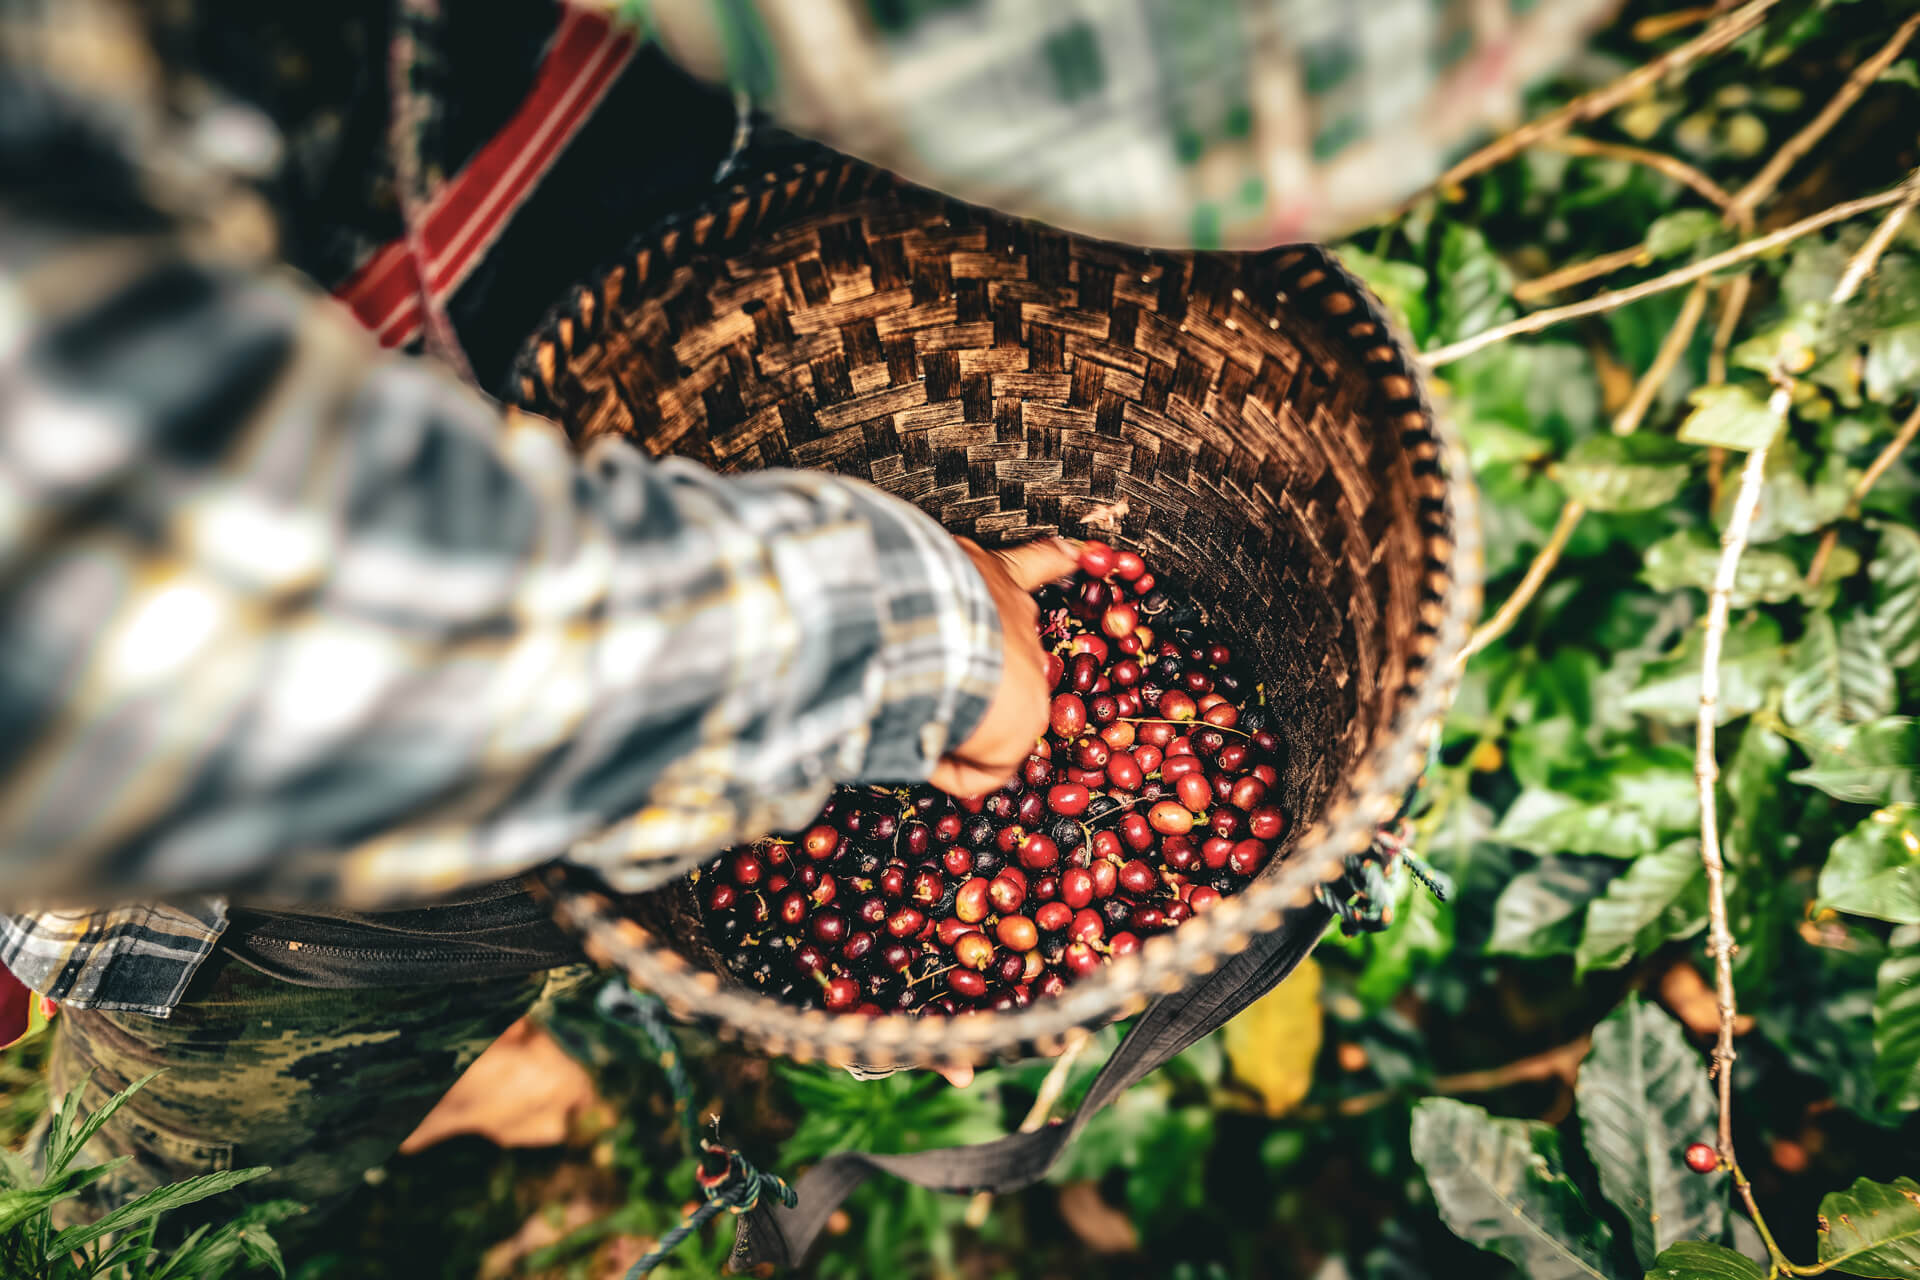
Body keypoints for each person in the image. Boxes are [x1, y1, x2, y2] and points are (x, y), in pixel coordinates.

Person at [0, 0, 1612, 1252]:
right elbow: (139, 618)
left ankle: (446, 1053)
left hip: (678, 620)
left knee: (481, 957)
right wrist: (920, 639)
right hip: (292, 830)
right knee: (176, 1183)